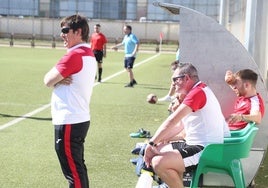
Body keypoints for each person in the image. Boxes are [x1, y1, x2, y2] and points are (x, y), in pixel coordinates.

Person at [144, 63, 230, 188]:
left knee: (158, 162)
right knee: (159, 149)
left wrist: (151, 143)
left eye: (175, 79)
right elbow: (179, 125)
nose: (173, 84)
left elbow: (172, 121)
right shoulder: (198, 90)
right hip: (200, 145)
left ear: (186, 78)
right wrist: (157, 142)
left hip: (207, 150)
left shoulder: (197, 92)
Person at [43, 14, 97, 188]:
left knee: (74, 173)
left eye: (66, 30)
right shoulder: (87, 53)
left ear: (78, 31)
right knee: (77, 170)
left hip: (69, 119)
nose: (62, 34)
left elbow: (47, 80)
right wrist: (59, 79)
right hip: (77, 118)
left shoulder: (74, 55)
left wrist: (57, 80)